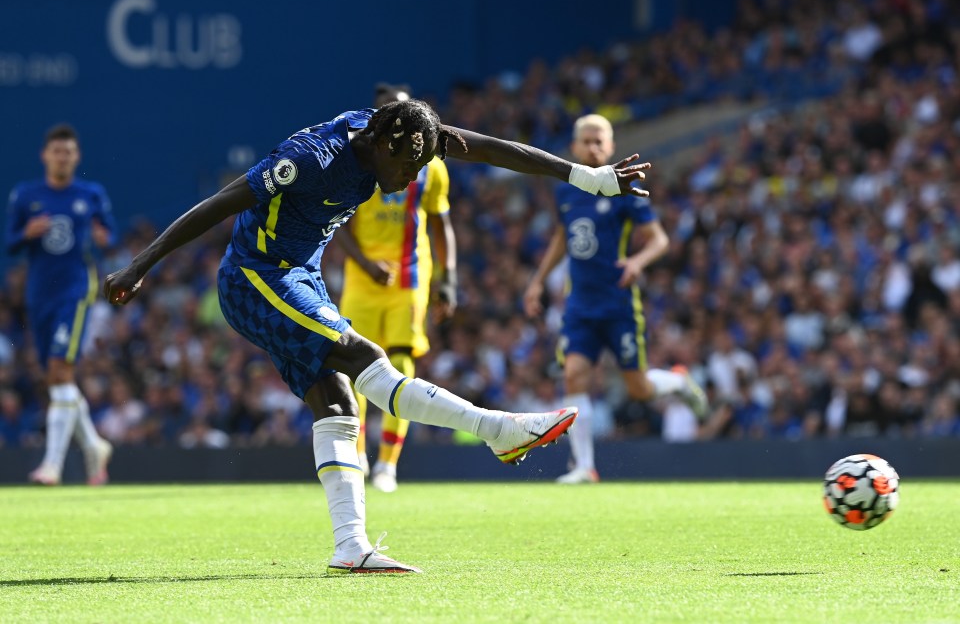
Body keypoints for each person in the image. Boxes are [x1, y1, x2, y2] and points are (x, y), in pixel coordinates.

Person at [103, 100, 649, 573]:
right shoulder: (310, 160)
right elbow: (221, 203)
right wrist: (141, 264)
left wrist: (589, 177)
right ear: (382, 144)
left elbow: (493, 150)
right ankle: (496, 429)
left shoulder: (400, 136)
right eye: (409, 165)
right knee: (365, 356)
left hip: (302, 276)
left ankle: (351, 547)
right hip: (256, 276)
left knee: (339, 406)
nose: (411, 178)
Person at [524, 114, 707, 485]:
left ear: (610, 147)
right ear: (573, 146)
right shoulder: (565, 189)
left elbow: (659, 239)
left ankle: (678, 383)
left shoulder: (624, 186)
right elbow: (564, 236)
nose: (592, 148)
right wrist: (538, 281)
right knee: (574, 374)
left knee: (638, 389)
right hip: (579, 305)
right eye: (586, 141)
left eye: (599, 142)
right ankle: (583, 466)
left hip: (618, 302)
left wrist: (638, 261)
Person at [336, 83, 458, 493]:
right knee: (355, 367)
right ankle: (356, 455)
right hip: (362, 279)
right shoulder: (360, 160)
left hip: (409, 276)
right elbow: (341, 227)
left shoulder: (433, 167)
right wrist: (366, 264)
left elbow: (441, 225)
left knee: (402, 360)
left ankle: (388, 462)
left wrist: (448, 279)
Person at [6, 124, 115, 486]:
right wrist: (26, 234)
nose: (63, 157)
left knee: (60, 370)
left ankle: (51, 465)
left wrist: (103, 237)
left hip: (76, 288)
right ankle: (95, 446)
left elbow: (109, 235)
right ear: (46, 155)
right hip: (39, 292)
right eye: (57, 151)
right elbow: (9, 242)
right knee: (55, 377)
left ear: (76, 157)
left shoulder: (91, 193)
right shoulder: (25, 195)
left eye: (68, 152)